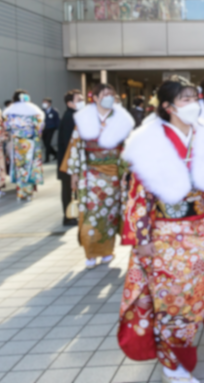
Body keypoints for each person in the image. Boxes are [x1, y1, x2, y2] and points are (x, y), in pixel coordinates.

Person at [119, 76, 204, 383]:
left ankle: (177, 351)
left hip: (202, 230)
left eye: (195, 98)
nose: (193, 105)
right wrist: (141, 239)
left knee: (202, 293)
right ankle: (172, 361)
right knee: (172, 296)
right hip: (165, 233)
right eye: (185, 100)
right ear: (167, 107)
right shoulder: (150, 140)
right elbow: (139, 193)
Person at [62, 84, 134, 269]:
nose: (110, 97)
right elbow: (76, 147)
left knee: (109, 214)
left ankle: (107, 251)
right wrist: (74, 175)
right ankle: (91, 251)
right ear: (94, 98)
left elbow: (127, 146)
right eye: (105, 94)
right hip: (90, 172)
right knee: (90, 214)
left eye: (112, 94)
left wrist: (127, 170)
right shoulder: (84, 119)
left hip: (114, 174)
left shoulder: (121, 119)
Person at [4, 90, 45, 201]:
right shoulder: (33, 111)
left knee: (20, 167)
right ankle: (28, 192)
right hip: (31, 141)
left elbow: (6, 127)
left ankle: (20, 192)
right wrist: (36, 135)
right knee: (30, 166)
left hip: (17, 142)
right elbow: (39, 126)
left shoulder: (10, 112)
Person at [58, 90, 84, 226]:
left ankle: (72, 215)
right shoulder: (71, 117)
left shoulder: (75, 115)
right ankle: (69, 217)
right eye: (78, 100)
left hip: (69, 161)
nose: (82, 102)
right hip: (67, 161)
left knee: (71, 189)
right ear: (70, 103)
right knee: (68, 189)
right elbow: (70, 143)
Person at [41, 98, 60, 163]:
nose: (44, 104)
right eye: (43, 102)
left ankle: (47, 158)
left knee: (47, 143)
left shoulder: (54, 111)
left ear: (49, 103)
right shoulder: (42, 111)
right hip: (43, 129)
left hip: (51, 129)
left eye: (45, 102)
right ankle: (56, 154)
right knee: (46, 144)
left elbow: (57, 120)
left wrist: (58, 128)